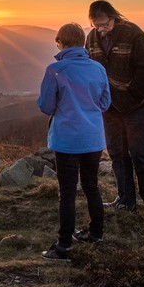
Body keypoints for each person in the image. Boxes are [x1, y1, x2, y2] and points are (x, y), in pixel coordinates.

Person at [37, 23, 112, 261]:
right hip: (93, 139)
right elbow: (105, 103)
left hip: (68, 140)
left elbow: (46, 106)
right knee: (92, 186)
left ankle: (64, 246)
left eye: (58, 42)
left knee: (67, 192)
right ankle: (96, 234)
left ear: (61, 42)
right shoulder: (98, 69)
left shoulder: (56, 69)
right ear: (83, 43)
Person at [85, 0, 144, 218]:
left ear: (113, 17)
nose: (100, 29)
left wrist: (132, 95)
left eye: (104, 24)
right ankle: (125, 199)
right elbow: (89, 67)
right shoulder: (91, 38)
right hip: (108, 108)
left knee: (140, 154)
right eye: (96, 25)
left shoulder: (133, 34)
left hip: (134, 107)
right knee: (117, 154)